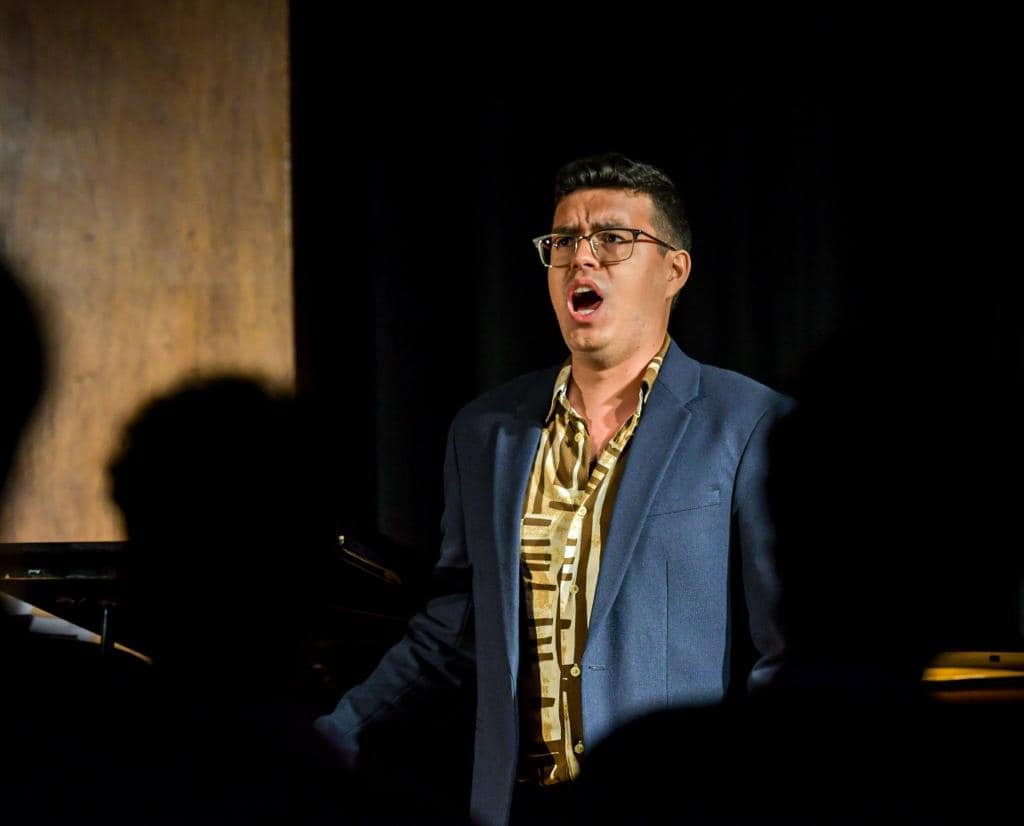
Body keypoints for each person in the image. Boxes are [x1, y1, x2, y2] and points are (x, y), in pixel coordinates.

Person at [316, 153, 794, 825]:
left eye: (613, 239)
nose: (582, 259)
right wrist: (332, 735)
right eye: (564, 241)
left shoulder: (745, 423)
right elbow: (454, 631)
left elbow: (785, 653)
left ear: (674, 270)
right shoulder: (486, 433)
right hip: (517, 811)